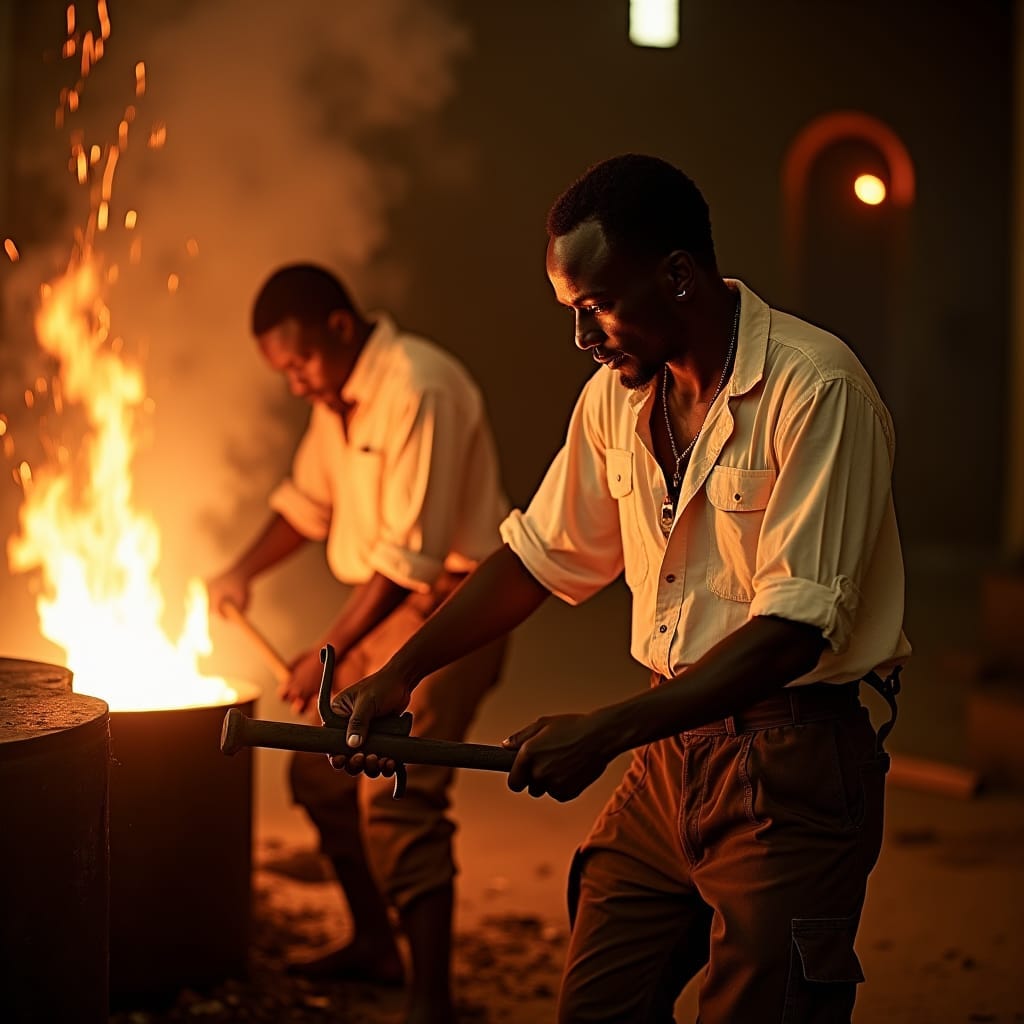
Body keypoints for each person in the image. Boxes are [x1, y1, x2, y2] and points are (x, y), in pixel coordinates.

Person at [327, 154, 912, 1023]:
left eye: (596, 306)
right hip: (669, 751)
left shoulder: (814, 388)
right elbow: (534, 556)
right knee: (598, 1000)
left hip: (794, 766)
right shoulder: (613, 402)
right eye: (573, 312)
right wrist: (398, 672)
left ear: (678, 274)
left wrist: (602, 732)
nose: (584, 338)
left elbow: (794, 632)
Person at [206, 263, 508, 1024]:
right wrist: (239, 570)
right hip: (383, 615)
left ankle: (430, 1000)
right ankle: (376, 944)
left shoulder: (418, 387)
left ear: (341, 328)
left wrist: (325, 652)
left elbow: (408, 563)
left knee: (400, 797)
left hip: (449, 616)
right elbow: (306, 508)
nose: (295, 383)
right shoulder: (337, 400)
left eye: (300, 362)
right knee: (320, 781)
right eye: (283, 372)